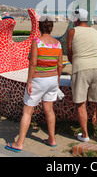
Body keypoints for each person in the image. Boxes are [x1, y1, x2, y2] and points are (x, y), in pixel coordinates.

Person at [5, 17, 63, 152]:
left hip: (39, 80)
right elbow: (60, 65)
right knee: (49, 110)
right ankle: (52, 139)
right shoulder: (58, 44)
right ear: (52, 28)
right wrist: (57, 80)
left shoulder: (37, 42)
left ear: (39, 28)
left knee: (27, 111)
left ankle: (19, 143)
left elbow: (33, 63)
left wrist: (29, 81)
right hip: (52, 79)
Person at [67, 8, 97, 143]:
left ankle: (85, 135)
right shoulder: (94, 31)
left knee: (81, 103)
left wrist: (75, 64)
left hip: (81, 67)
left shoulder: (72, 31)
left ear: (76, 19)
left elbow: (69, 53)